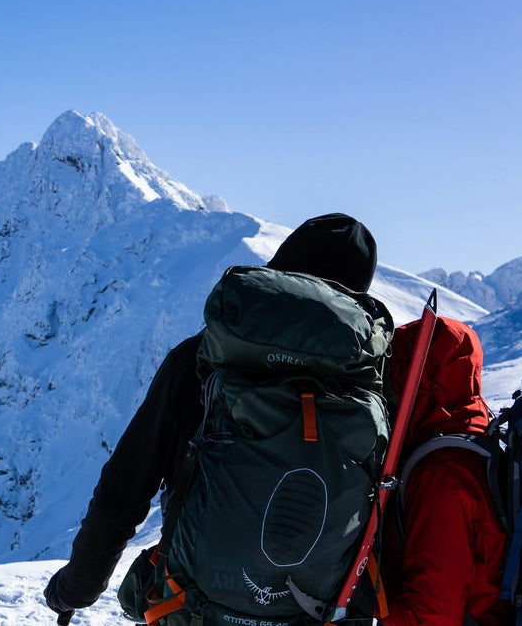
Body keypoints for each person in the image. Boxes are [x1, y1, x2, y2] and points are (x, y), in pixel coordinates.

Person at [44, 213, 379, 619]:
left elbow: (124, 491)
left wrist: (75, 590)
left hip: (189, 608)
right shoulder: (372, 385)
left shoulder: (199, 360)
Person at [378, 317, 511, 626]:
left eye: (393, 380)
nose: (388, 396)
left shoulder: (444, 474)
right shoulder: (478, 440)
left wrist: (363, 590)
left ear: (421, 381)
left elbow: (429, 618)